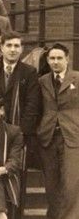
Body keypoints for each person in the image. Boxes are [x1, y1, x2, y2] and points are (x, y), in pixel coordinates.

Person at [36, 43, 79, 218]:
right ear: (47, 60)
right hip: (48, 138)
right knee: (51, 185)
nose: (55, 62)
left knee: (71, 184)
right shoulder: (42, 81)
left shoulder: (77, 78)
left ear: (67, 59)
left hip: (72, 137)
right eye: (52, 58)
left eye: (59, 58)